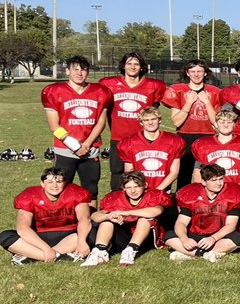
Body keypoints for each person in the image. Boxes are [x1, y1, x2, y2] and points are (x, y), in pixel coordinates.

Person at [99, 51, 171, 192]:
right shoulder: (109, 84)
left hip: (143, 139)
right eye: (129, 64)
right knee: (117, 174)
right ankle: (117, 204)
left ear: (142, 67)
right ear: (123, 66)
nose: (132, 67)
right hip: (118, 138)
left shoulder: (153, 85)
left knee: (144, 174)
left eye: (136, 64)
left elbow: (154, 111)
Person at [42, 55, 111, 199]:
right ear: (67, 71)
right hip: (65, 149)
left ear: (88, 72)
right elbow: (54, 126)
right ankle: (63, 220)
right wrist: (74, 145)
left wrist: (86, 144)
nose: (79, 73)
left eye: (83, 70)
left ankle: (90, 221)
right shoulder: (54, 91)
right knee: (60, 187)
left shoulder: (100, 92)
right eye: (75, 69)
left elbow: (101, 123)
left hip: (90, 148)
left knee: (91, 189)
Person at [1, 167, 92, 264]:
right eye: (50, 182)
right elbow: (23, 228)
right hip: (38, 237)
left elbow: (84, 219)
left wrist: (82, 241)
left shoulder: (75, 192)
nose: (55, 186)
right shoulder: (30, 195)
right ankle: (57, 256)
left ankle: (32, 256)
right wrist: (46, 249)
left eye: (59, 182)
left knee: (91, 233)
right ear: (42, 183)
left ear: (65, 183)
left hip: (69, 235)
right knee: (5, 236)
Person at [81, 170, 170, 267]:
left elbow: (157, 211)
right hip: (124, 237)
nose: (133, 191)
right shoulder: (115, 198)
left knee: (144, 219)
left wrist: (126, 213)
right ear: (123, 188)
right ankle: (100, 251)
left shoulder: (154, 195)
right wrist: (109, 216)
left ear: (145, 185)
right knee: (106, 221)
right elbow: (95, 216)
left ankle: (131, 249)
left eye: (136, 186)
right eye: (129, 187)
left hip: (146, 240)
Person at [166, 163, 240, 262]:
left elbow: (231, 225)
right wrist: (184, 239)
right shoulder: (191, 194)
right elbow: (181, 222)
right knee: (169, 236)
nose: (219, 183)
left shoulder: (233, 194)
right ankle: (206, 254)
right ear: (204, 182)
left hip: (219, 235)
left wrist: (213, 238)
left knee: (238, 238)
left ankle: (190, 253)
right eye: (214, 180)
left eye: (221, 179)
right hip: (196, 234)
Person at [168, 59, 222, 186]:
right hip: (185, 135)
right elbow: (177, 122)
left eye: (199, 71)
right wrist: (189, 102)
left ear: (205, 73)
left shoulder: (214, 92)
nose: (196, 74)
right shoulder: (178, 90)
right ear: (187, 73)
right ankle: (183, 202)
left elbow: (216, 122)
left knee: (208, 174)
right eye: (193, 71)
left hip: (208, 136)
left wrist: (207, 102)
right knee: (184, 174)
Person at [117, 107, 185, 192]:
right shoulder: (130, 143)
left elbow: (174, 172)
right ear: (141, 123)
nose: (150, 122)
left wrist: (157, 191)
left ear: (159, 120)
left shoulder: (173, 141)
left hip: (163, 190)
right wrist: (140, 190)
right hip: (140, 191)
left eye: (153, 119)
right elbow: (129, 172)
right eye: (146, 120)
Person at [191, 110, 240, 190]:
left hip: (235, 191)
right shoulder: (202, 145)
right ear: (215, 124)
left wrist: (233, 191)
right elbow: (197, 176)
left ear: (234, 124)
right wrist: (207, 191)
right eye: (222, 122)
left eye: (229, 122)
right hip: (210, 191)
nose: (226, 125)